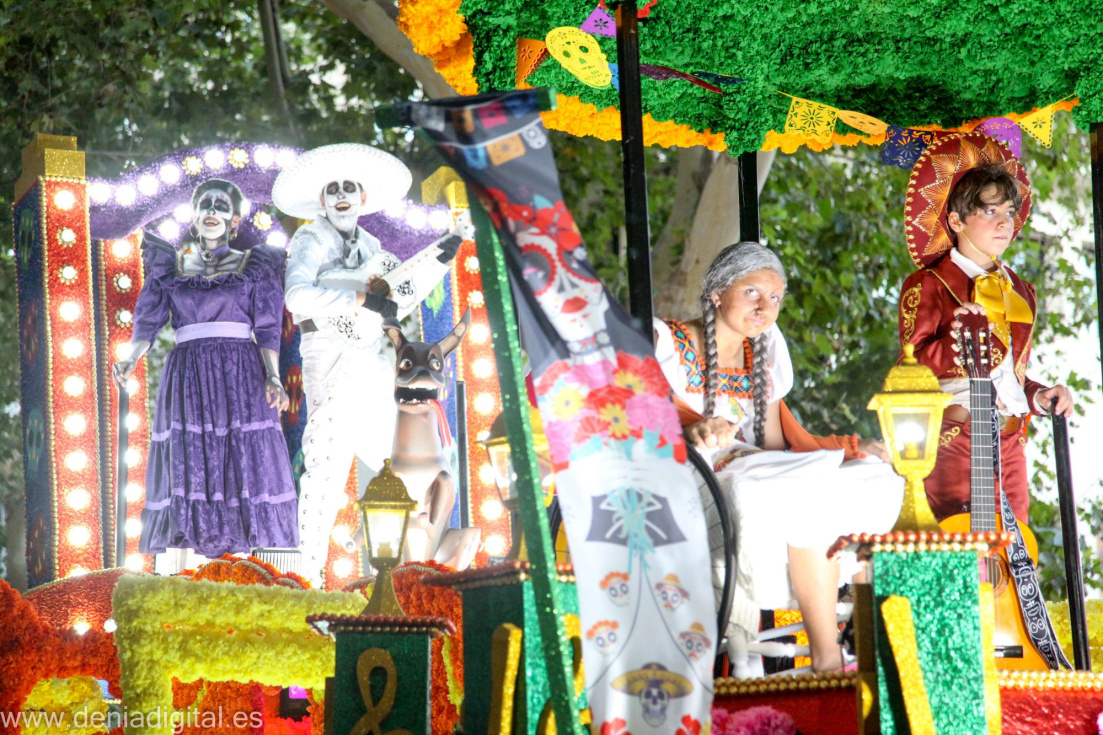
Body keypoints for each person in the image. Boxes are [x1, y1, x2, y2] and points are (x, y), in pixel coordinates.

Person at [654, 241, 902, 674]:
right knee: (801, 486)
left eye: (774, 298)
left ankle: (867, 643)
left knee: (874, 472)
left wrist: (847, 449)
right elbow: (635, 417)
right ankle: (828, 658)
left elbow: (773, 444)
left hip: (759, 464)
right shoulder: (665, 342)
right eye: (752, 292)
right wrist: (691, 429)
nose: (764, 307)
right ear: (717, 292)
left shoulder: (764, 349)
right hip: (695, 472)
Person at [273, 143, 460, 587]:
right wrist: (358, 297)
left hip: (372, 356)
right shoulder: (310, 240)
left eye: (348, 188)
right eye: (332, 188)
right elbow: (296, 297)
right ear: (321, 200)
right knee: (327, 465)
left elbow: (396, 301)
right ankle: (307, 579)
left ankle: (411, 572)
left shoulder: (375, 248)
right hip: (329, 353)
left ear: (362, 197)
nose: (341, 195)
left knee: (406, 461)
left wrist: (437, 262)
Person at [114, 178, 298, 558]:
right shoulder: (171, 265)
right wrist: (131, 357)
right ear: (195, 217)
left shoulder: (255, 265)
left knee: (242, 453)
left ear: (234, 221)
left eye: (221, 206)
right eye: (206, 205)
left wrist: (274, 377)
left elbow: (267, 326)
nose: (212, 211)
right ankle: (190, 555)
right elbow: (148, 320)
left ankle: (248, 560)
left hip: (241, 370)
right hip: (189, 373)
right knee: (192, 454)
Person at [897, 132, 1073, 523]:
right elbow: (908, 371)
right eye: (990, 211)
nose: (1004, 222)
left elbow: (1008, 373)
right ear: (956, 220)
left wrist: (1038, 396)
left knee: (1016, 550)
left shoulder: (1021, 291)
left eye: (1009, 211)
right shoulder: (928, 284)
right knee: (960, 547)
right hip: (955, 440)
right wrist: (959, 342)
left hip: (1011, 441)